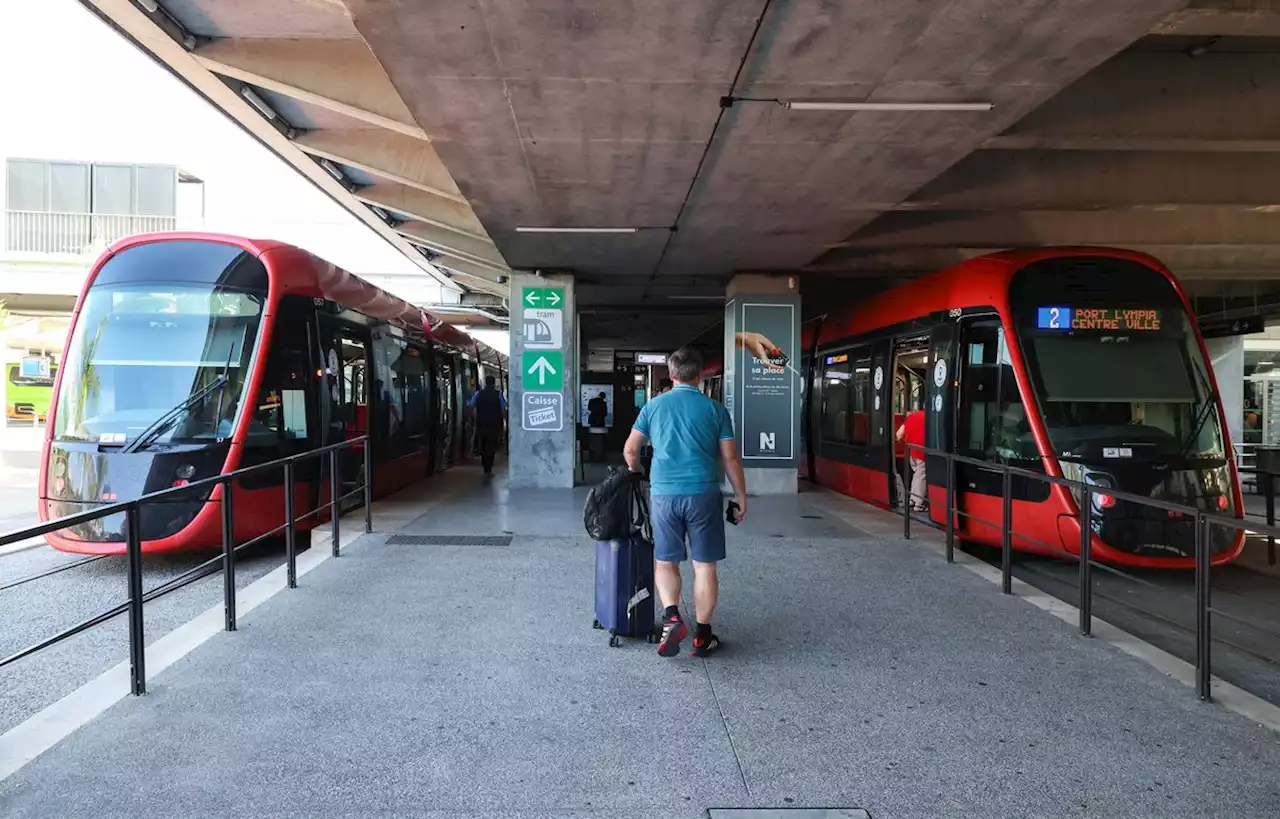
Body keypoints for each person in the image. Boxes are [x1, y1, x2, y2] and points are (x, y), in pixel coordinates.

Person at [624, 346, 747, 659]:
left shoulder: (654, 407)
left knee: (665, 561)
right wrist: (741, 495)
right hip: (704, 494)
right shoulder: (716, 410)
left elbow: (630, 451)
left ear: (671, 373)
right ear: (701, 373)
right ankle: (703, 637)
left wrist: (637, 471)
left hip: (665, 494)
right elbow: (730, 457)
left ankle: (672, 617)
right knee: (704, 565)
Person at [468, 376, 507, 478]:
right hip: (494, 424)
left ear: (485, 383)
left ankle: (485, 467)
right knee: (491, 446)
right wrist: (504, 421)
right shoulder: (498, 395)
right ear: (494, 383)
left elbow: (472, 406)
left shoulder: (478, 394)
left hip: (481, 424)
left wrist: (475, 417)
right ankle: (489, 469)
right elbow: (503, 410)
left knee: (483, 445)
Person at [895, 407, 926, 511]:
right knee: (922, 476)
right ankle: (919, 504)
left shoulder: (911, 416)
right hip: (922, 452)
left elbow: (898, 435)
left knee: (917, 474)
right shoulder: (929, 418)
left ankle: (912, 499)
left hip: (911, 451)